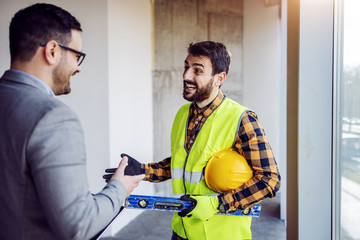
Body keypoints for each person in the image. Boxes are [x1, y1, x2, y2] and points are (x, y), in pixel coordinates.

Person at [104, 41, 281, 239]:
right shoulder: (183, 114)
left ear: (219, 78)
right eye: (186, 67)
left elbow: (270, 180)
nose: (186, 76)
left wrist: (217, 203)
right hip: (182, 230)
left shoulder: (241, 119)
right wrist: (144, 171)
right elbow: (184, 164)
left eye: (197, 70)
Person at [0, 3, 144, 240]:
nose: (78, 68)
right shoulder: (53, 118)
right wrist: (120, 188)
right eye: (77, 56)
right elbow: (79, 226)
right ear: (53, 51)